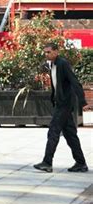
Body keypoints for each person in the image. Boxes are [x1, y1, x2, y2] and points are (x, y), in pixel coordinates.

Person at [34, 42, 90, 173]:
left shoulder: (62, 64)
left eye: (49, 52)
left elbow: (75, 82)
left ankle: (47, 162)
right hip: (60, 103)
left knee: (53, 131)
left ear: (56, 52)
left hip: (64, 104)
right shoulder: (52, 65)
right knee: (70, 135)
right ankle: (81, 163)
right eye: (45, 52)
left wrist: (83, 101)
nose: (46, 54)